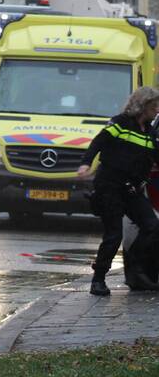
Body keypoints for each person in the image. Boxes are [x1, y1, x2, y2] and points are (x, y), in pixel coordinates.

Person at [76, 87, 159, 296]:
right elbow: (98, 142)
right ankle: (98, 279)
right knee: (114, 235)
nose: (157, 110)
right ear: (143, 105)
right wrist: (86, 163)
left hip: (131, 189)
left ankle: (136, 264)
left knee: (151, 226)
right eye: (154, 106)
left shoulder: (149, 131)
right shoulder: (120, 123)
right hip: (109, 186)